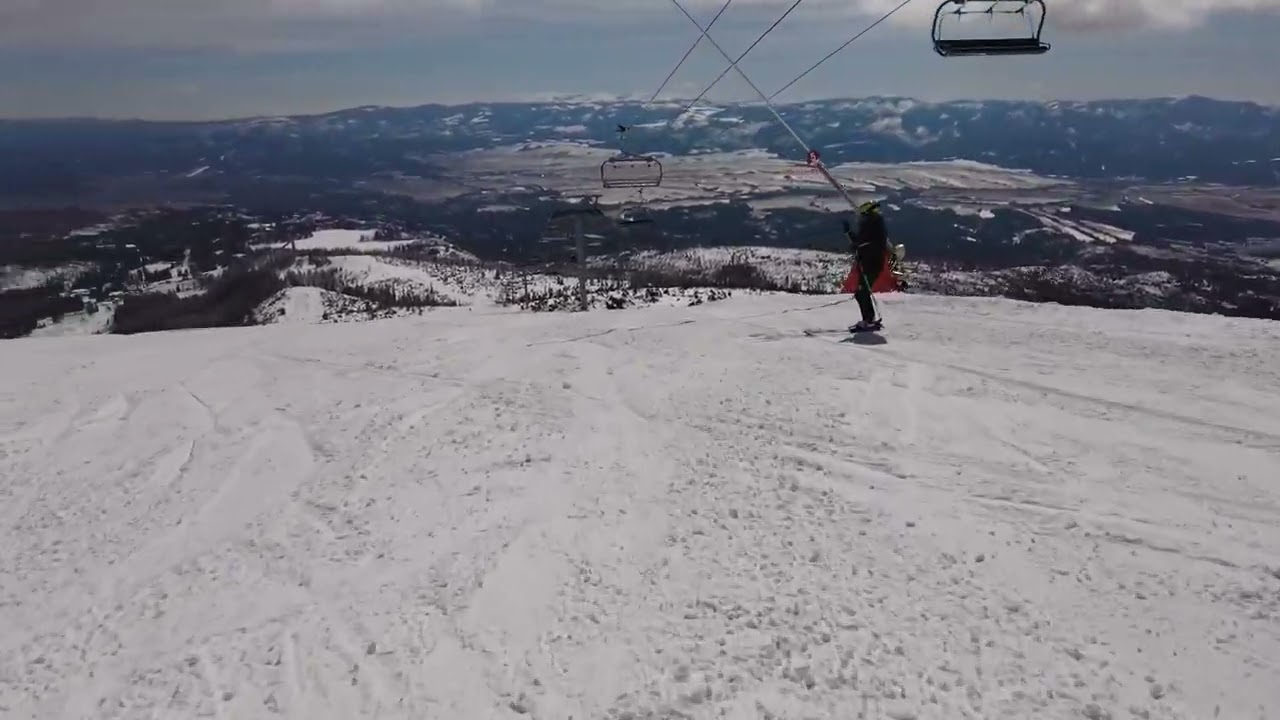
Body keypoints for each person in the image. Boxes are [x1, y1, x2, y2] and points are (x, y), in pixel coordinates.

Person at [842, 200, 893, 330]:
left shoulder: (873, 225)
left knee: (862, 292)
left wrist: (859, 248)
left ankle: (869, 320)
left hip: (871, 264)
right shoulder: (874, 225)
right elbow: (860, 242)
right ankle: (868, 319)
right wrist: (848, 233)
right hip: (869, 263)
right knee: (861, 292)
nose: (860, 219)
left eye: (862, 215)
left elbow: (864, 244)